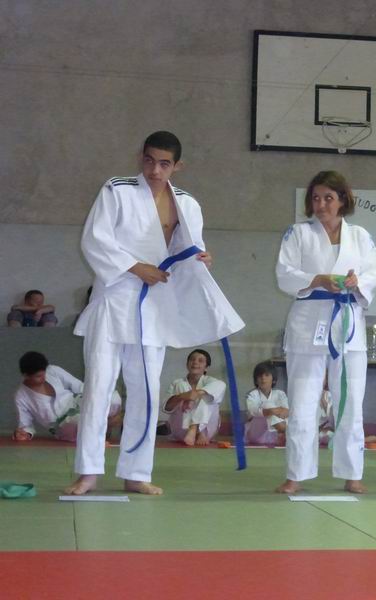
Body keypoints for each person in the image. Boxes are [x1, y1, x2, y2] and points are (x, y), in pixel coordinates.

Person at [66, 131, 244, 496]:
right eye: (149, 161)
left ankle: (136, 472)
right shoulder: (117, 190)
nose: (155, 170)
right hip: (115, 299)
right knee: (98, 387)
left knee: (146, 391)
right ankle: (88, 473)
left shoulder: (187, 204)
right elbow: (94, 240)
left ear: (178, 166)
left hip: (155, 306)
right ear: (141, 158)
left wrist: (202, 258)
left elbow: (189, 249)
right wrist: (135, 267)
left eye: (164, 164)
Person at [275, 170, 376, 494]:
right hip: (308, 322)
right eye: (316, 198)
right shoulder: (298, 233)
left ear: (342, 201)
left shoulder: (360, 236)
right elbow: (284, 273)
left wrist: (357, 282)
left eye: (328, 198)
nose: (321, 204)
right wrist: (318, 279)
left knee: (350, 402)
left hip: (347, 323)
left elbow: (374, 270)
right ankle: (296, 474)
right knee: (303, 401)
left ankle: (352, 473)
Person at [12, 351, 121, 442]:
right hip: (63, 426)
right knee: (79, 421)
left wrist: (96, 397)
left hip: (75, 404)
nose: (43, 377)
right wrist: (24, 434)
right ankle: (104, 427)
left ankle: (103, 425)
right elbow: (25, 425)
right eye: (38, 376)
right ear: (26, 376)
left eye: (44, 373)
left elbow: (79, 387)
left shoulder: (53, 370)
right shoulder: (21, 396)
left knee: (112, 398)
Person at [163, 349, 226, 446]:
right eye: (192, 359)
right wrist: (183, 396)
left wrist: (196, 394)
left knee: (210, 393)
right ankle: (193, 430)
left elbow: (219, 386)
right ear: (187, 364)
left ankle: (194, 428)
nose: (195, 362)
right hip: (182, 431)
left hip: (206, 431)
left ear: (206, 368)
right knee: (181, 385)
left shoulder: (212, 382)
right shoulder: (176, 383)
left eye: (200, 360)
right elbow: (166, 408)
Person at [245, 360, 289, 446]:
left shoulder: (280, 394)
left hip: (274, 435)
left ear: (273, 379)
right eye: (260, 376)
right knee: (267, 406)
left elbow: (286, 411)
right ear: (256, 380)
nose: (263, 378)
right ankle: (285, 431)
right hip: (256, 434)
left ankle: (282, 430)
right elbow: (252, 411)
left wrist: (274, 411)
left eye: (267, 375)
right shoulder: (252, 395)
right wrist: (271, 411)